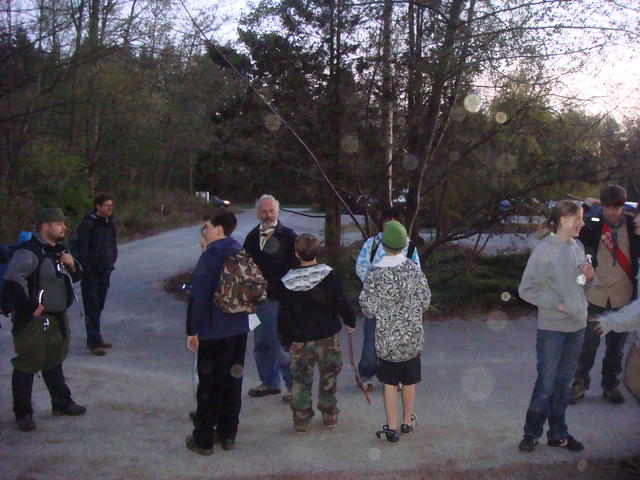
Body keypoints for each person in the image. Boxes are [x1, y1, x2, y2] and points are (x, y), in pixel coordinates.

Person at [517, 200, 594, 453]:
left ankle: (558, 434)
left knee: (564, 384)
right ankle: (531, 433)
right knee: (546, 384)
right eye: (578, 218)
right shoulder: (544, 250)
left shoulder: (577, 247)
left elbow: (579, 283)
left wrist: (588, 278)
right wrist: (556, 304)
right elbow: (526, 289)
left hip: (577, 325)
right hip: (552, 328)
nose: (583, 223)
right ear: (563, 220)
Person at [3, 207, 87, 432]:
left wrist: (71, 264)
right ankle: (23, 413)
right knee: (27, 363)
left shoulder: (58, 249)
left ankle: (62, 402)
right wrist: (31, 307)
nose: (64, 227)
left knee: (53, 360)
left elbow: (76, 277)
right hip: (33, 321)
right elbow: (13, 279)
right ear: (45, 226)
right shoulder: (28, 252)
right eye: (59, 223)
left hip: (57, 317)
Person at [185, 210, 250, 455]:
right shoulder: (240, 252)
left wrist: (193, 330)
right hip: (239, 329)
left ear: (219, 229)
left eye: (207, 227)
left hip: (213, 331)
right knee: (233, 382)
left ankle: (203, 440)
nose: (204, 231)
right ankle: (228, 434)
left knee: (209, 386)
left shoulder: (211, 256)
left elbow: (199, 296)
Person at [359, 221, 431, 443]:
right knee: (409, 381)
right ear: (404, 244)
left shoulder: (374, 273)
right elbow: (426, 301)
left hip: (387, 342)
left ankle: (391, 428)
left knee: (390, 384)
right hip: (412, 339)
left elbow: (367, 308)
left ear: (383, 244)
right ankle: (407, 421)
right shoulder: (414, 270)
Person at [278, 234, 356, 434]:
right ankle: (329, 412)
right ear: (317, 251)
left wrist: (285, 338)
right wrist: (350, 320)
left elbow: (284, 314)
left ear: (296, 254)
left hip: (300, 339)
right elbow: (340, 300)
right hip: (326, 336)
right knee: (329, 374)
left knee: (300, 378)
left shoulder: (288, 280)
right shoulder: (328, 275)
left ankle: (301, 418)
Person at [570, 185, 640, 404]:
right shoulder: (592, 222)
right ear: (603, 205)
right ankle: (579, 383)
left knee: (616, 347)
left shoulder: (633, 223)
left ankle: (611, 385)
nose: (613, 212)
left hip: (623, 292)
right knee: (588, 344)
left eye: (617, 207)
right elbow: (569, 223)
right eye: (609, 207)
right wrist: (586, 205)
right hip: (596, 293)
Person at [355, 208, 421, 391]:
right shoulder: (372, 244)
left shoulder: (409, 246)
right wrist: (376, 287)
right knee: (371, 341)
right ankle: (366, 374)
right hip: (376, 303)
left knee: (396, 342)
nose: (390, 224)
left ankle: (393, 376)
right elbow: (361, 267)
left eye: (395, 221)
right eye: (387, 221)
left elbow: (416, 273)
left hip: (400, 307)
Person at [243, 194, 297, 401]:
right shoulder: (251, 237)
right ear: (258, 213)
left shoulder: (288, 237)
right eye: (264, 211)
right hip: (258, 300)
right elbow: (244, 266)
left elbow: (296, 269)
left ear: (278, 211)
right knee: (262, 343)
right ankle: (269, 382)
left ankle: (292, 386)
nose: (268, 215)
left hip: (280, 299)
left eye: (271, 211)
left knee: (282, 345)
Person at [76, 193, 118, 356]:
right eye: (107, 205)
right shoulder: (88, 224)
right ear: (98, 206)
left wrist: (112, 261)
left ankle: (97, 337)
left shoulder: (109, 224)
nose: (110, 208)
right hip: (91, 273)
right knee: (92, 306)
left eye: (111, 205)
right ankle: (93, 342)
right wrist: (86, 267)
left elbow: (112, 244)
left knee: (99, 305)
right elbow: (82, 248)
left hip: (105, 271)